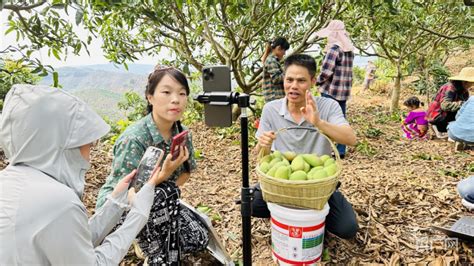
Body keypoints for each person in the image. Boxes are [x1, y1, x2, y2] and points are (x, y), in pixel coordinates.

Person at [0, 84, 166, 264]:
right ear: (64, 146)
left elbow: (74, 244)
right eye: (88, 144)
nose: (89, 157)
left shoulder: (11, 182)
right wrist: (139, 214)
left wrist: (116, 202)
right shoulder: (58, 202)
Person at [96, 66, 208, 264]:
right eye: (166, 92)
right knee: (163, 192)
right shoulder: (134, 139)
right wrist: (164, 175)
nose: (176, 99)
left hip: (160, 203)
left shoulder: (181, 133)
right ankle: (147, 247)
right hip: (119, 210)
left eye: (182, 93)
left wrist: (165, 193)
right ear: (150, 97)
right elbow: (127, 194)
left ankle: (149, 234)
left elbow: (186, 173)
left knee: (198, 238)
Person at [252, 54, 359, 239]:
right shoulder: (271, 109)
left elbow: (351, 139)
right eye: (289, 79)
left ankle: (312, 218)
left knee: (347, 228)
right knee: (252, 204)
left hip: (316, 185)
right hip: (283, 183)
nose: (294, 86)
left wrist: (318, 122)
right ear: (283, 80)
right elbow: (261, 156)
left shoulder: (328, 106)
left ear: (313, 81)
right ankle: (293, 217)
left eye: (301, 81)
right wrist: (264, 144)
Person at [314, 20, 355, 159]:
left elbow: (326, 71)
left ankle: (326, 148)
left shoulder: (334, 49)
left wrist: (316, 81)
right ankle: (341, 149)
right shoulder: (349, 50)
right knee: (340, 119)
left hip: (331, 90)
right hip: (343, 91)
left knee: (326, 120)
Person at [429, 67, 473, 133]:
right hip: (439, 117)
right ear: (465, 82)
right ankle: (436, 127)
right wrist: (461, 104)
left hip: (448, 116)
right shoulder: (450, 88)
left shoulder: (464, 91)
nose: (472, 85)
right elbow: (445, 105)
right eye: (471, 83)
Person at [261, 37, 290, 102]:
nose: (284, 53)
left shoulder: (273, 60)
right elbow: (276, 78)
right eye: (284, 50)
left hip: (276, 98)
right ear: (278, 48)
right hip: (274, 98)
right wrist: (289, 72)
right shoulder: (271, 60)